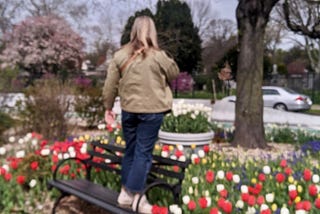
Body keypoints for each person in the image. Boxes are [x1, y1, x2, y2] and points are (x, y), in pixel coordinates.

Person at [102, 16, 179, 214]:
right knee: (143, 154)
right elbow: (174, 73)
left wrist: (107, 107)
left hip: (129, 111)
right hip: (152, 112)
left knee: (131, 151)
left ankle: (124, 194)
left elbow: (109, 85)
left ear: (133, 30)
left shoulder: (120, 55)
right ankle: (138, 197)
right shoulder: (158, 55)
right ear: (151, 32)